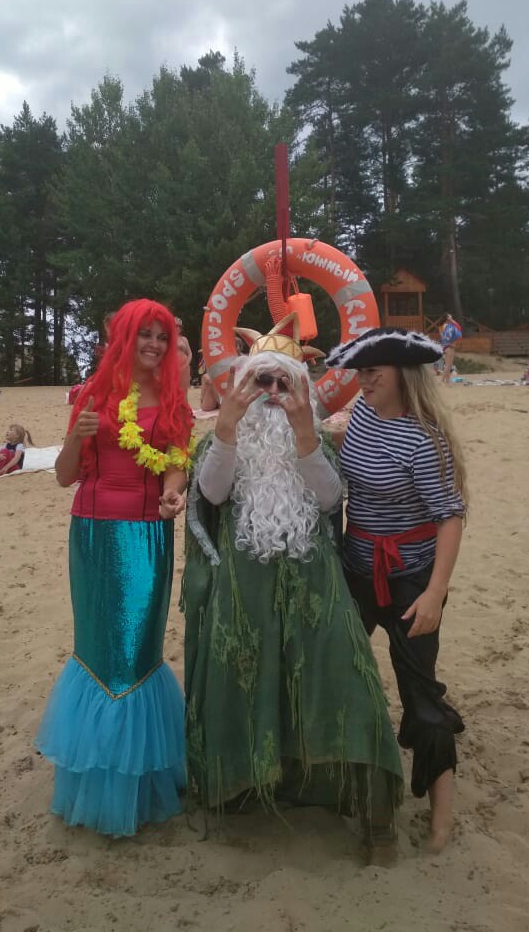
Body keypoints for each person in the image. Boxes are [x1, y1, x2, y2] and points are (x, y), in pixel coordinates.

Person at [182, 322, 404, 855]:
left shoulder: (317, 438)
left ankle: (369, 806)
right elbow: (212, 494)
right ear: (243, 385)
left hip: (315, 580)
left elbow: (329, 500)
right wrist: (228, 426)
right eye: (261, 382)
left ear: (301, 388)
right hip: (244, 584)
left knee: (341, 671)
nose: (273, 394)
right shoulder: (222, 438)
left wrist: (306, 432)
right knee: (246, 674)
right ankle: (246, 786)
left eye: (284, 384)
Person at [35, 299, 193, 837]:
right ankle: (97, 776)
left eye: (162, 337)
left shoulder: (173, 398)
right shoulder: (91, 394)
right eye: (145, 335)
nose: (154, 345)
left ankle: (136, 782)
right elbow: (64, 476)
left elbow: (176, 461)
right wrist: (77, 436)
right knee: (98, 648)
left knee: (135, 652)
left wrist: (173, 493)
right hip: (92, 533)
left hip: (147, 535)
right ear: (124, 338)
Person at [326, 327, 467, 854]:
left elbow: (450, 517)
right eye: (360, 372)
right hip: (357, 570)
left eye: (372, 373)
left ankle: (442, 815)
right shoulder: (363, 415)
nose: (362, 382)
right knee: (339, 669)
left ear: (402, 374)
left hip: (412, 581)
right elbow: (348, 454)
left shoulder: (425, 440)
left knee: (419, 692)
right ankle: (346, 776)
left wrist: (434, 593)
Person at [440, 314, 462, 385]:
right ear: (447, 318)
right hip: (449, 347)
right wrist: (451, 320)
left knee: (448, 365)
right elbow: (458, 327)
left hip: (445, 346)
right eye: (450, 316)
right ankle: (442, 381)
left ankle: (447, 381)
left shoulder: (443, 326)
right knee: (448, 365)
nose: (451, 317)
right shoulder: (448, 326)